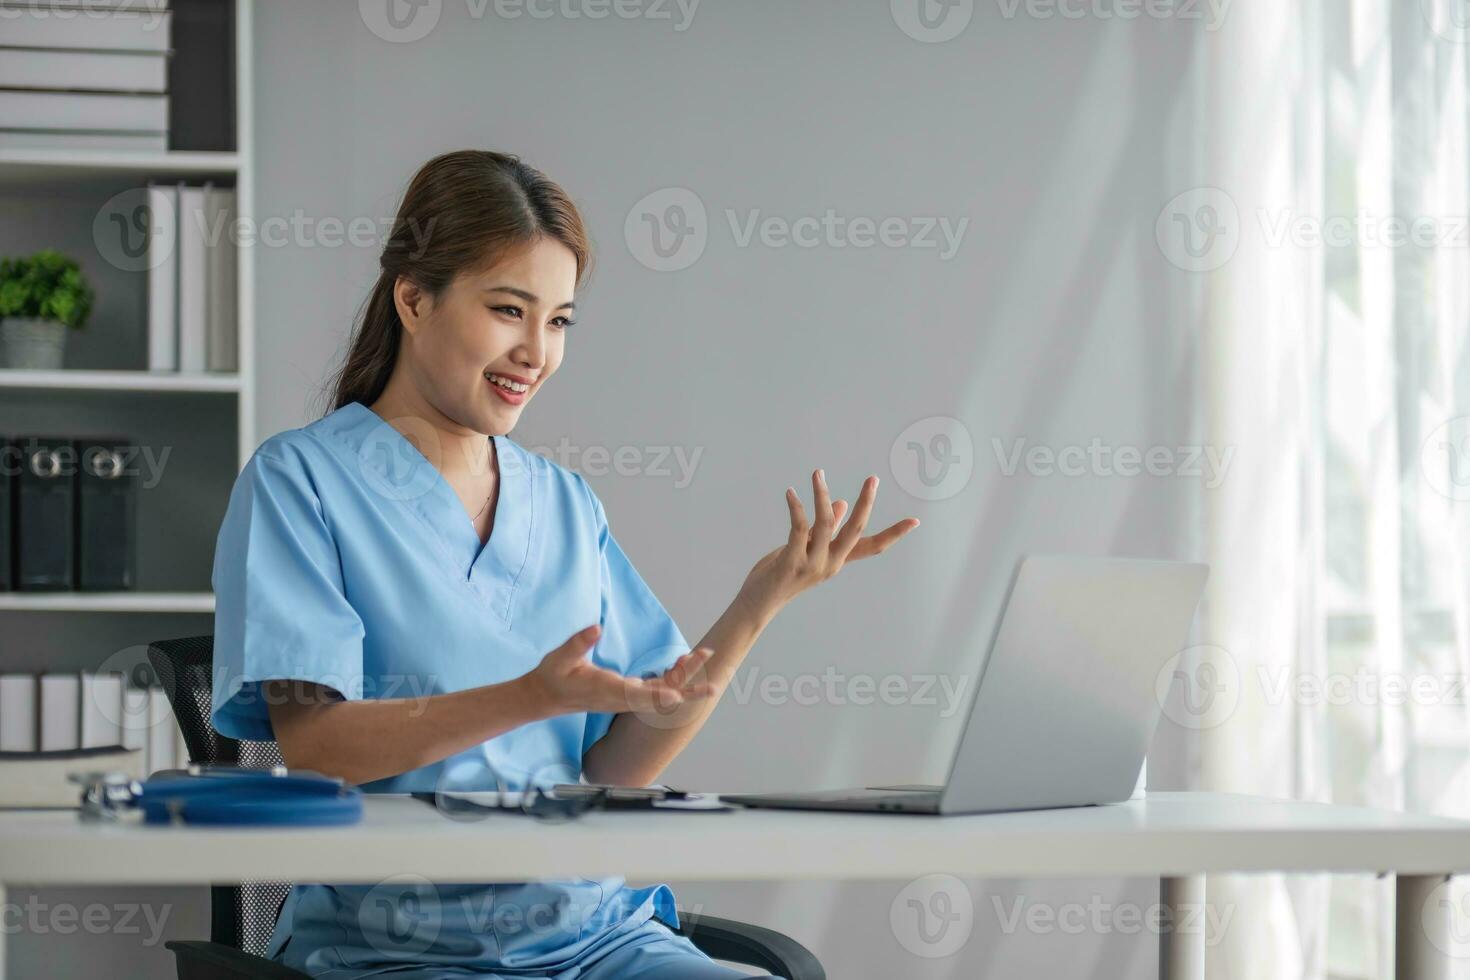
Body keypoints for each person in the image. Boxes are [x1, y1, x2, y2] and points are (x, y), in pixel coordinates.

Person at [211, 149, 919, 978]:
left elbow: (613, 767)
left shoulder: (563, 503)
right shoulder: (301, 482)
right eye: (509, 310)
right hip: (399, 949)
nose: (536, 353)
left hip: (594, 938)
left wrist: (759, 604)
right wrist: (527, 698)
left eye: (558, 322)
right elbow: (318, 749)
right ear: (413, 298)